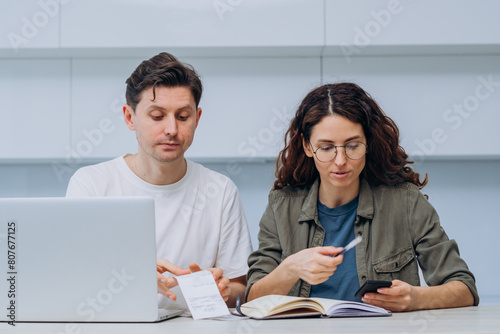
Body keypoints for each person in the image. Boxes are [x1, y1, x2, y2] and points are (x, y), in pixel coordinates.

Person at [246, 82, 479, 312]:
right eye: (326, 148)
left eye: (352, 145)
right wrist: (290, 269)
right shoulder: (281, 206)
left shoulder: (405, 202)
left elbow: (465, 289)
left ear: (368, 142)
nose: (340, 160)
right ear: (308, 147)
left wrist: (416, 298)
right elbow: (252, 299)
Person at [66, 52, 252, 309]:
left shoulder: (220, 191)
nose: (172, 130)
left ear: (197, 119)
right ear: (130, 118)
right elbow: (70, 279)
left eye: (183, 117)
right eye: (157, 116)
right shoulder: (91, 185)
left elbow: (241, 290)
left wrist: (224, 291)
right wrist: (131, 275)